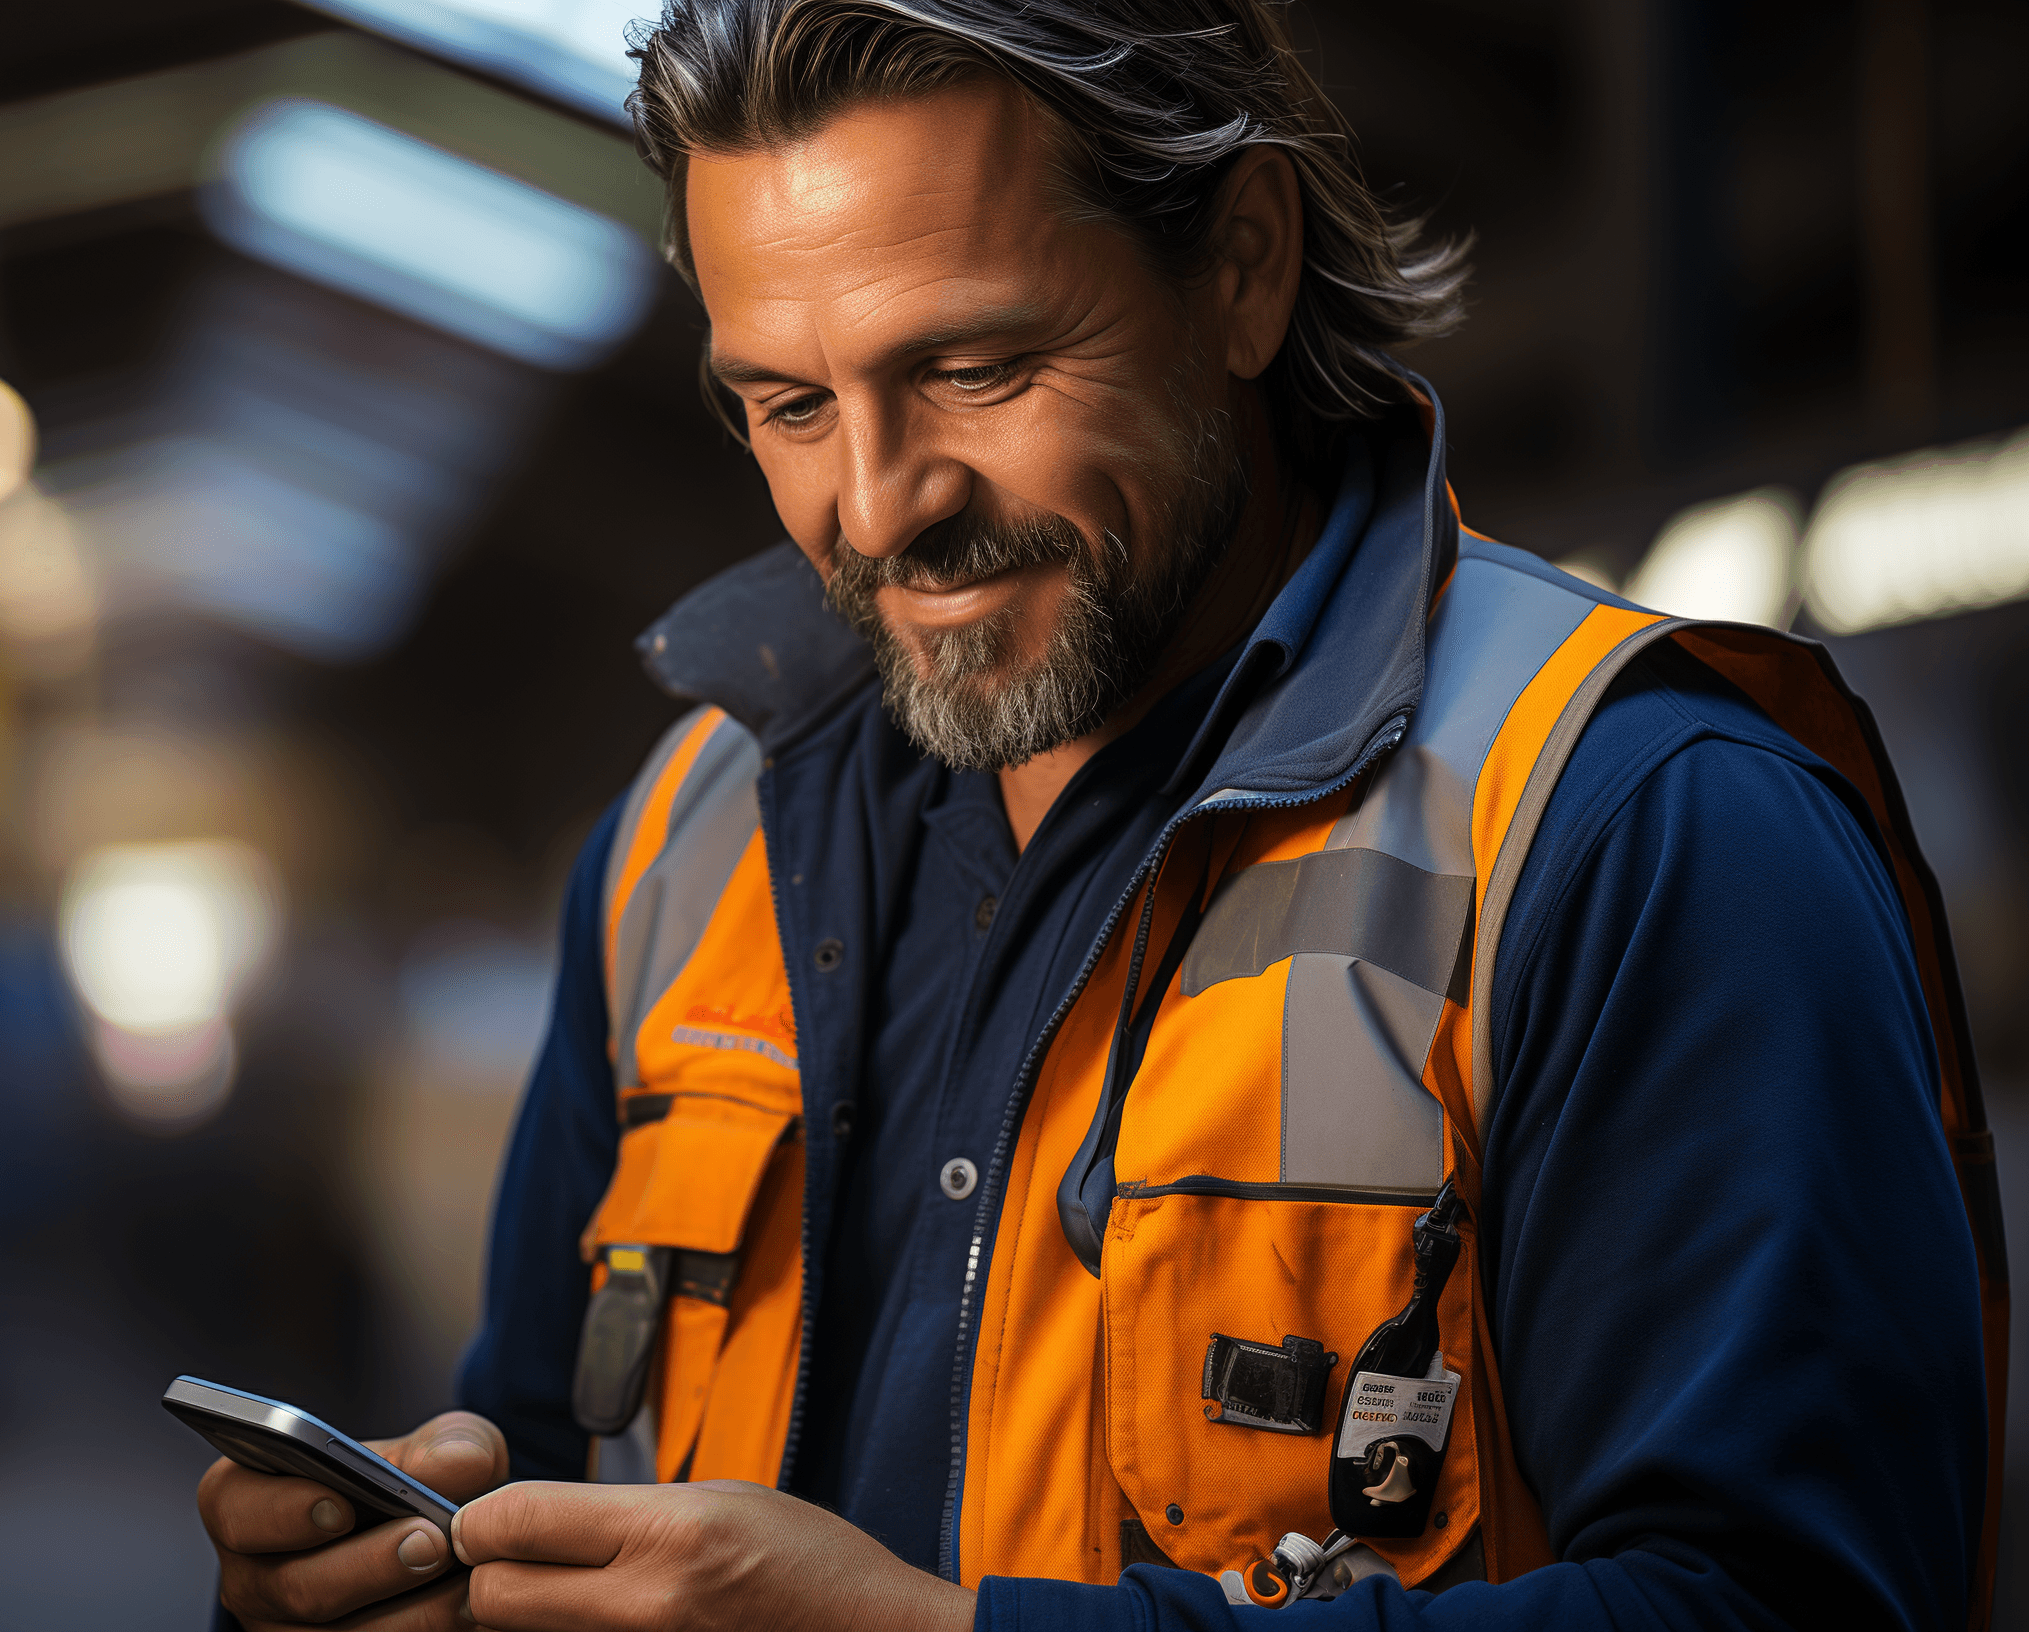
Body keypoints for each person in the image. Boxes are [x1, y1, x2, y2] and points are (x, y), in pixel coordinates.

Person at [195, 2, 2003, 1627]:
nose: (880, 505)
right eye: (788, 404)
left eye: (973, 369)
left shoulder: (1633, 827)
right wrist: (385, 1586)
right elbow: (532, 1455)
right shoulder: (687, 843)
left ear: (1242, 269)